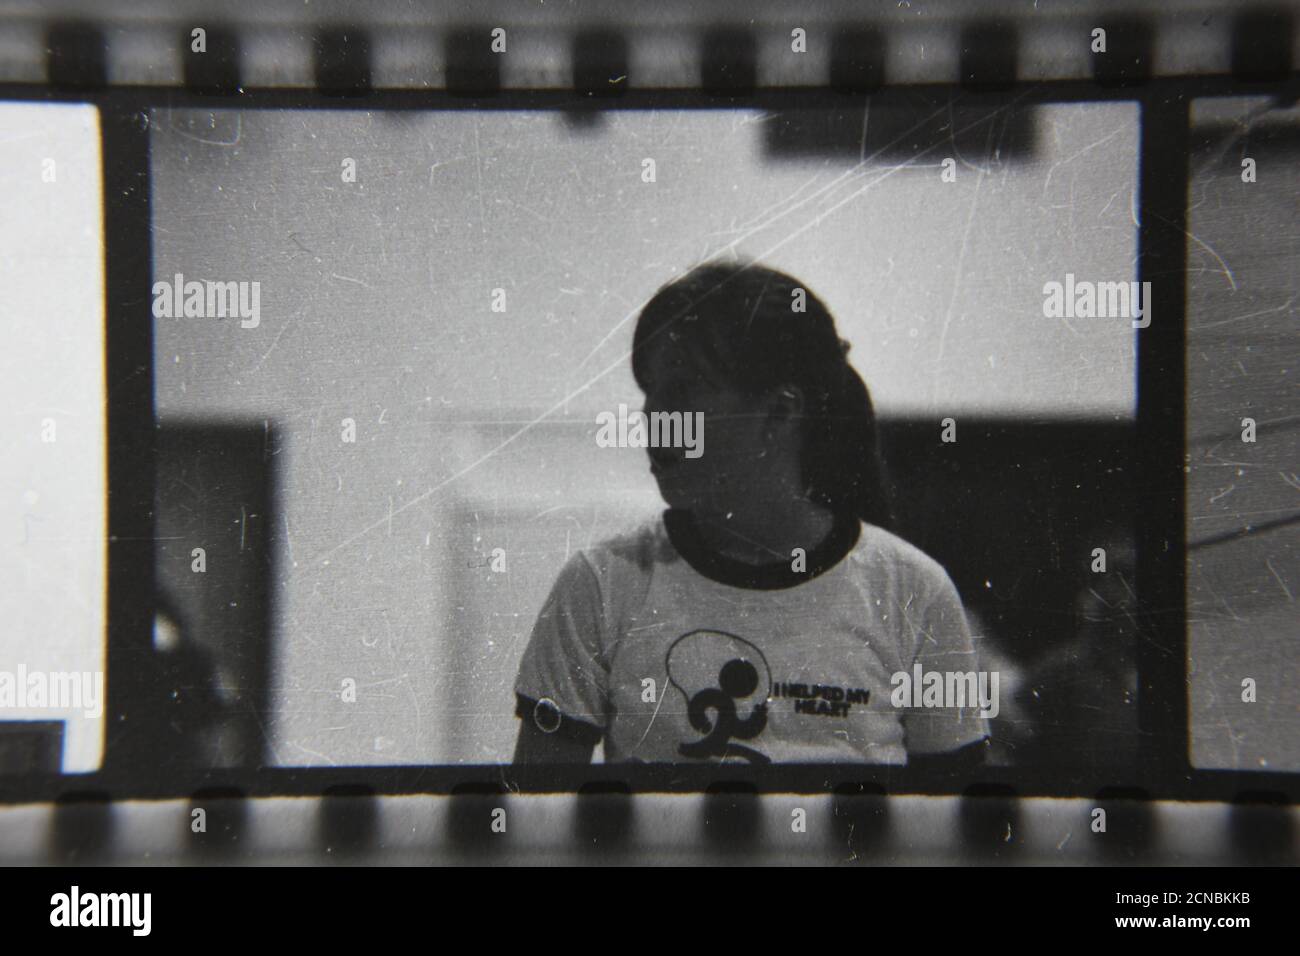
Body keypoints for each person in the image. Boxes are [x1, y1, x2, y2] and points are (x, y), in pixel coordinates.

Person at [512, 263, 990, 767]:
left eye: (682, 391)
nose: (652, 415)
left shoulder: (915, 590)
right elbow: (540, 819)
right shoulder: (601, 583)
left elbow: (955, 830)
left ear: (781, 412)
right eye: (649, 390)